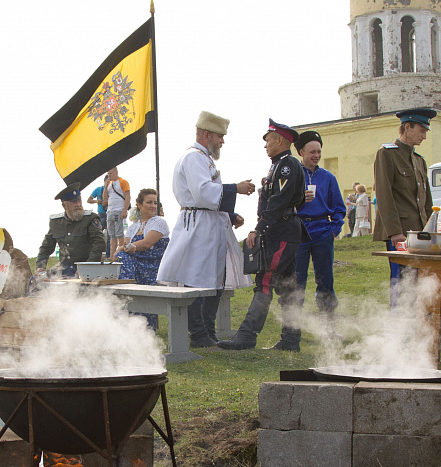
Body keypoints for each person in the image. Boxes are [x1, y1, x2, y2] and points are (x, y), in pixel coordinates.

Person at [157, 111, 255, 348]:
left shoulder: (205, 159)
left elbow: (207, 195)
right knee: (197, 279)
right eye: (220, 136)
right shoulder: (193, 158)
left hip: (210, 225)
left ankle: (208, 332)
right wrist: (235, 188)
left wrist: (230, 214)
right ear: (207, 134)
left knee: (215, 280)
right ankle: (199, 334)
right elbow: (202, 192)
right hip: (198, 227)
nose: (223, 141)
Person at [219, 120, 307, 351]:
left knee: (265, 280)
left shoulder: (287, 166)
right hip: (283, 229)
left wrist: (259, 229)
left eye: (268, 140)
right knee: (288, 286)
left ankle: (247, 336)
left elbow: (279, 201)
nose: (265, 145)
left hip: (282, 230)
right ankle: (290, 340)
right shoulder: (278, 165)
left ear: (280, 140)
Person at [372, 108, 435, 304]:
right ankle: (398, 329)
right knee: (401, 284)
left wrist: (432, 227)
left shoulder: (419, 160)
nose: (424, 136)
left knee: (420, 283)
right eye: (421, 130)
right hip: (401, 232)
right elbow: (384, 195)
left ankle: (416, 329)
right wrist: (394, 231)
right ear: (407, 127)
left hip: (420, 233)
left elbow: (426, 200)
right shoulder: (386, 154)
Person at [289, 130, 345, 344]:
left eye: (319, 151)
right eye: (312, 151)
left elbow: (339, 208)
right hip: (299, 232)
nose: (316, 155)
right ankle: (294, 331)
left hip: (323, 233)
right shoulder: (293, 174)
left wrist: (334, 229)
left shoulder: (328, 178)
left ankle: (329, 329)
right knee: (297, 282)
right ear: (301, 152)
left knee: (325, 281)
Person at [115, 188, 170, 329]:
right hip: (136, 266)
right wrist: (124, 248)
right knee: (120, 259)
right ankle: (128, 316)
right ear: (139, 204)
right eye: (149, 202)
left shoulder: (159, 222)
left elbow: (146, 244)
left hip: (154, 268)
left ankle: (126, 298)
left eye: (155, 203)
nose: (153, 206)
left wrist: (126, 247)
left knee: (121, 257)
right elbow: (125, 245)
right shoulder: (134, 227)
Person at [36, 183, 106, 277]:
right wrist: (40, 266)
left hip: (86, 266)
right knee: (36, 280)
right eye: (74, 202)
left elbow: (99, 244)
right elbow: (46, 248)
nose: (78, 205)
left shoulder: (90, 219)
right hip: (63, 268)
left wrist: (87, 267)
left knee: (81, 287)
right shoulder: (56, 222)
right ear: (64, 206)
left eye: (79, 201)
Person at [103, 167, 131, 253]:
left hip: (118, 210)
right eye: (108, 174)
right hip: (110, 210)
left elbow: (127, 197)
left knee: (119, 233)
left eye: (111, 173)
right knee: (112, 235)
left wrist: (124, 210)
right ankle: (112, 255)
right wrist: (106, 187)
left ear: (116, 172)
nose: (109, 175)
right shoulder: (109, 184)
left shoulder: (123, 182)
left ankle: (121, 253)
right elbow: (105, 200)